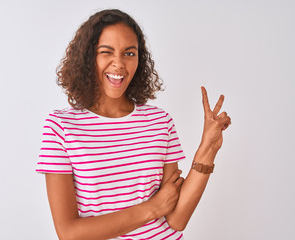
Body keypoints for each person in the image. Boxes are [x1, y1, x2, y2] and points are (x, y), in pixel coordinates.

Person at [36, 9, 231, 240]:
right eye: (106, 52)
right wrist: (151, 209)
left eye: (129, 53)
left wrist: (207, 150)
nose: (119, 64)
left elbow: (177, 220)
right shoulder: (61, 127)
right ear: (88, 58)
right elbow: (69, 233)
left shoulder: (160, 122)